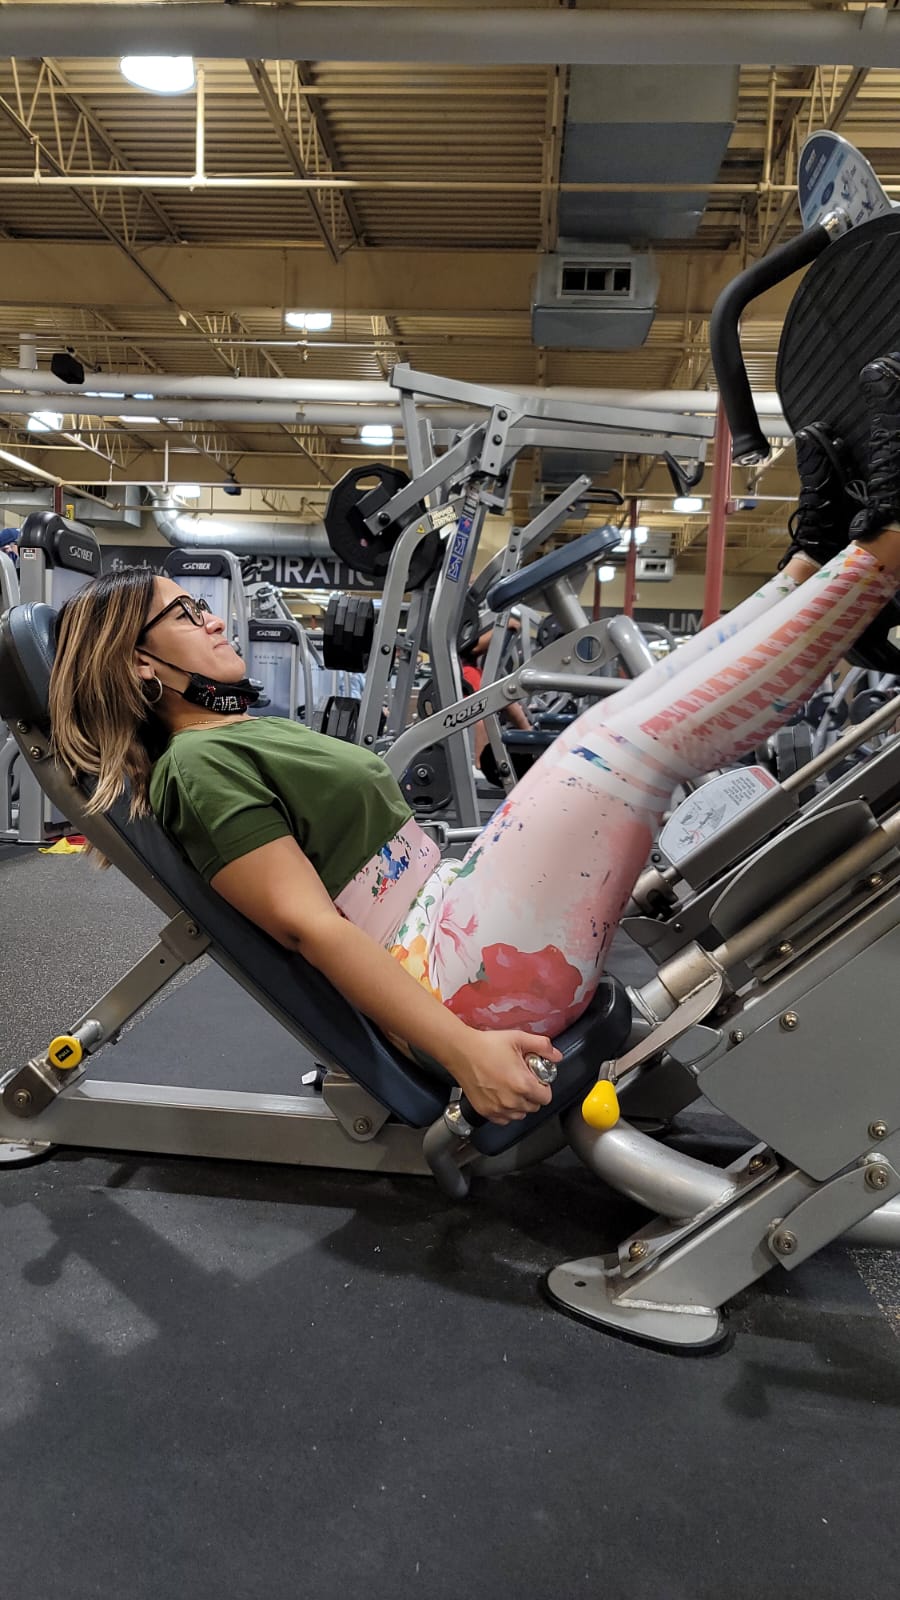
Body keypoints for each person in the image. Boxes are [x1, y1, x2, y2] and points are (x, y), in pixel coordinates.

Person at [48, 355, 900, 1128]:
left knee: (617, 722)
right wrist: (462, 1053)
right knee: (621, 752)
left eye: (201, 605)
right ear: (139, 666)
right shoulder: (196, 767)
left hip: (451, 919)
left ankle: (813, 562)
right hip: (456, 982)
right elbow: (312, 929)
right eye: (185, 614)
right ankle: (882, 551)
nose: (211, 619)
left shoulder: (232, 737)